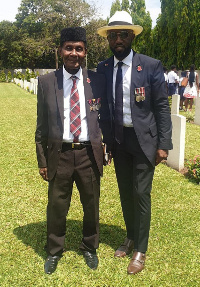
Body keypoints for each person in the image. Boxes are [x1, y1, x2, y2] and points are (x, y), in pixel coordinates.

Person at [97, 11, 173, 275]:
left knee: (141, 193)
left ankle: (140, 248)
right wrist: (106, 142)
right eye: (114, 35)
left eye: (124, 34)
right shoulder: (104, 68)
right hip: (119, 140)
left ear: (131, 36)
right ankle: (129, 236)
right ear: (108, 39)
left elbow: (162, 108)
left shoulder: (150, 65)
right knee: (125, 192)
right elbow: (103, 109)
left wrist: (164, 144)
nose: (119, 39)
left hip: (144, 141)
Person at [35, 27, 108, 274]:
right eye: (69, 48)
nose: (73, 53)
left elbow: (105, 117)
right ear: (60, 50)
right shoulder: (46, 82)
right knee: (57, 205)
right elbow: (41, 125)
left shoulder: (97, 80)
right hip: (60, 154)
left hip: (89, 154)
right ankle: (54, 250)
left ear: (85, 52)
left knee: (91, 203)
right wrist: (42, 160)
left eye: (79, 49)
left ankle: (89, 246)